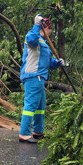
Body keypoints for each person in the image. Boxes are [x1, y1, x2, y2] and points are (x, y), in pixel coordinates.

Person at [19, 14, 64, 143]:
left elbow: (48, 62)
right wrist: (37, 24)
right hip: (33, 76)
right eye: (50, 30)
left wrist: (57, 62)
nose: (50, 33)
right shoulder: (33, 36)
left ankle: (38, 132)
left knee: (40, 106)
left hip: (40, 77)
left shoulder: (45, 43)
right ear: (46, 29)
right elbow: (32, 39)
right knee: (31, 105)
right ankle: (24, 134)